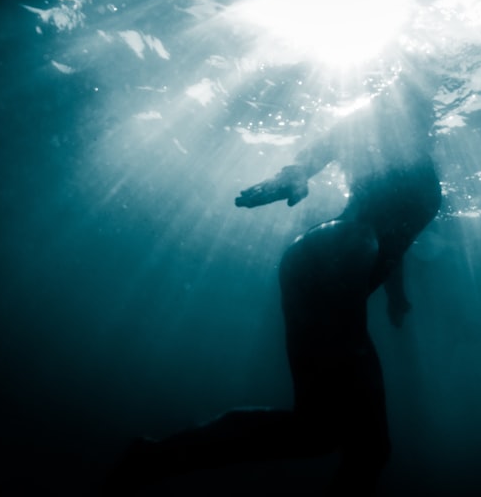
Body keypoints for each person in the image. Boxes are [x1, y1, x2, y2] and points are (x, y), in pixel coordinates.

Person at [104, 71, 441, 495]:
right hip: (335, 259)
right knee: (359, 446)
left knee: (328, 435)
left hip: (326, 265)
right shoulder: (383, 135)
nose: (425, 109)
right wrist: (293, 175)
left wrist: (397, 296)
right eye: (417, 98)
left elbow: (396, 235)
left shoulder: (416, 158)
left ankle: (154, 458)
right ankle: (153, 458)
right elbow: (324, 150)